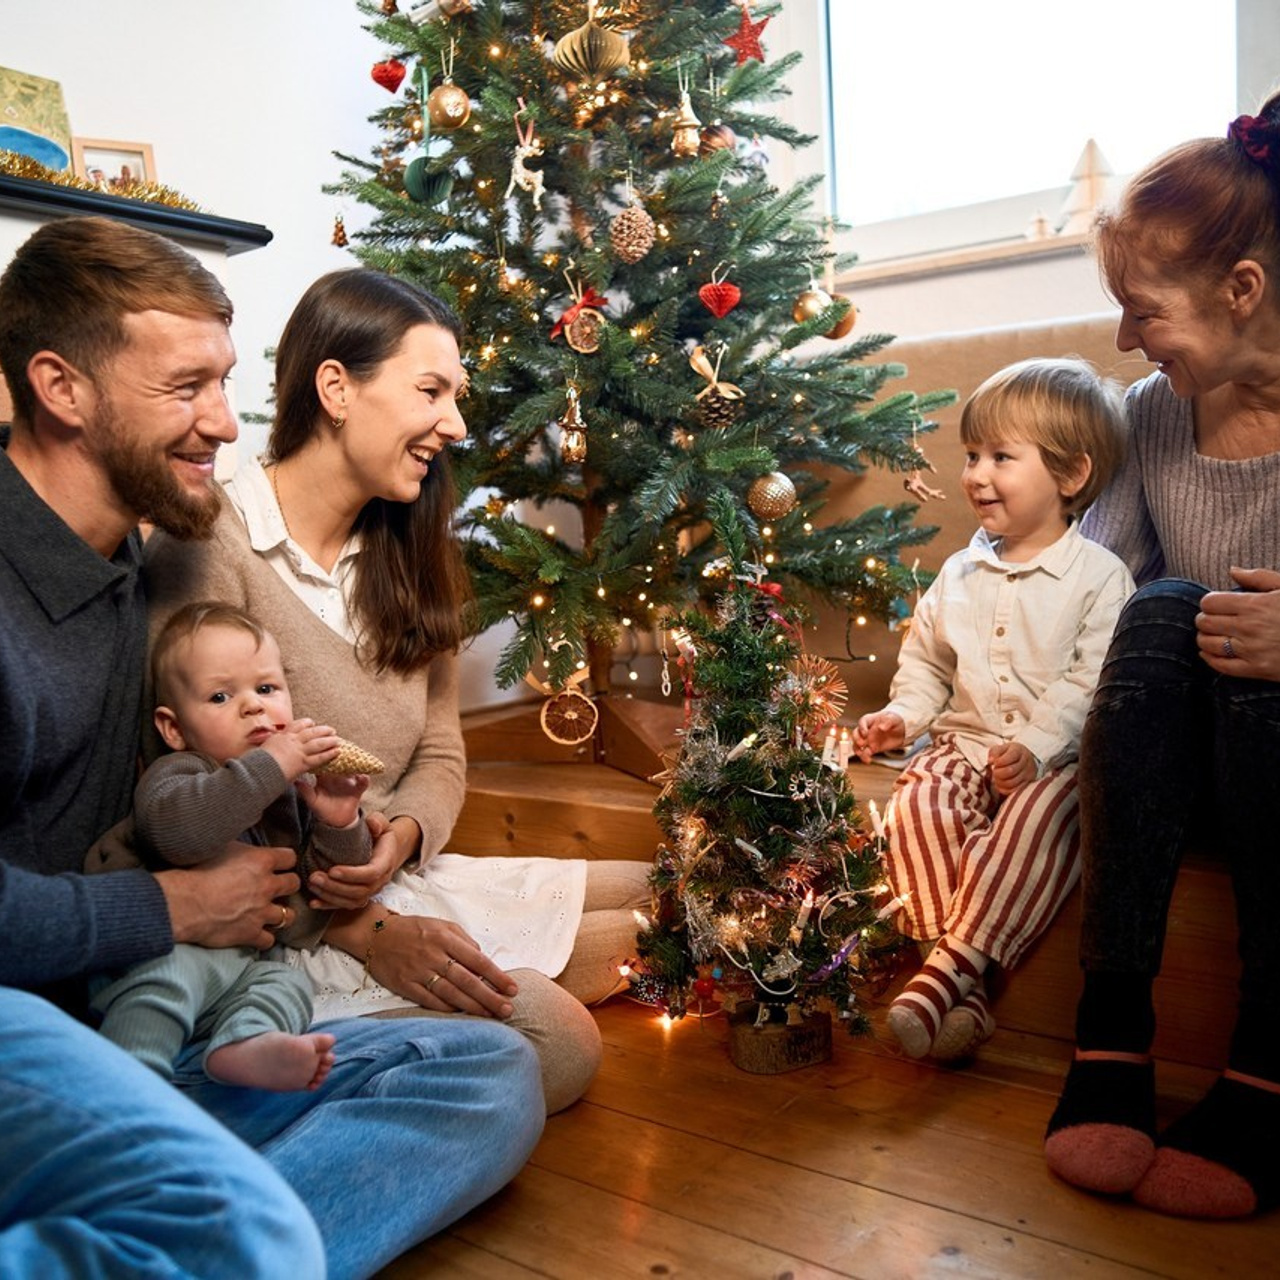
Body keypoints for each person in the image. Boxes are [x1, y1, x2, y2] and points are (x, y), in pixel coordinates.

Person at [0, 215, 543, 1279]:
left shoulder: (131, 567)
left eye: (226, 382)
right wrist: (170, 907)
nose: (223, 423)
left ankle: (168, 1229)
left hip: (147, 1009)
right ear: (63, 390)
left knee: (486, 1072)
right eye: (186, 388)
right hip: (39, 1014)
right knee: (244, 1227)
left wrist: (327, 831)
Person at [144, 267, 653, 1113]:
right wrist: (365, 929)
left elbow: (443, 744)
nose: (454, 424)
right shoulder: (209, 546)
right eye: (432, 391)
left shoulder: (407, 543)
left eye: (457, 396)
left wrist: (404, 835)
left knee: (672, 889)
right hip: (288, 930)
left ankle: (501, 969)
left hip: (393, 874)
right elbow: (184, 807)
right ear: (337, 388)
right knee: (558, 1042)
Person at [1044, 97, 1280, 1220]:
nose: (1124, 343)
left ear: (1239, 288)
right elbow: (1089, 598)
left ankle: (1272, 1055)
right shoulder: (1145, 415)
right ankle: (1110, 1024)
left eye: (1141, 314)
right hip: (1159, 762)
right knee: (1160, 604)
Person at [854, 358, 1133, 1063]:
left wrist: (1037, 747)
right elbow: (927, 664)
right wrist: (901, 716)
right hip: (964, 744)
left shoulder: (1101, 577)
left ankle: (950, 967)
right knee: (918, 801)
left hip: (1054, 762)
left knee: (1045, 815)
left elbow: (1091, 679)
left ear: (1070, 476)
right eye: (972, 455)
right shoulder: (959, 572)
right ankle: (960, 989)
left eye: (1001, 457)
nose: (976, 474)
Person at [88, 600, 376, 1092]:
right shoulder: (178, 775)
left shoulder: (290, 793)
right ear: (175, 729)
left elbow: (324, 893)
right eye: (221, 697)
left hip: (243, 970)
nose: (253, 706)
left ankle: (243, 1045)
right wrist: (272, 765)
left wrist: (339, 822)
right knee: (166, 984)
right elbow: (180, 837)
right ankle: (129, 1092)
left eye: (267, 689)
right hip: (156, 955)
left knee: (289, 984)